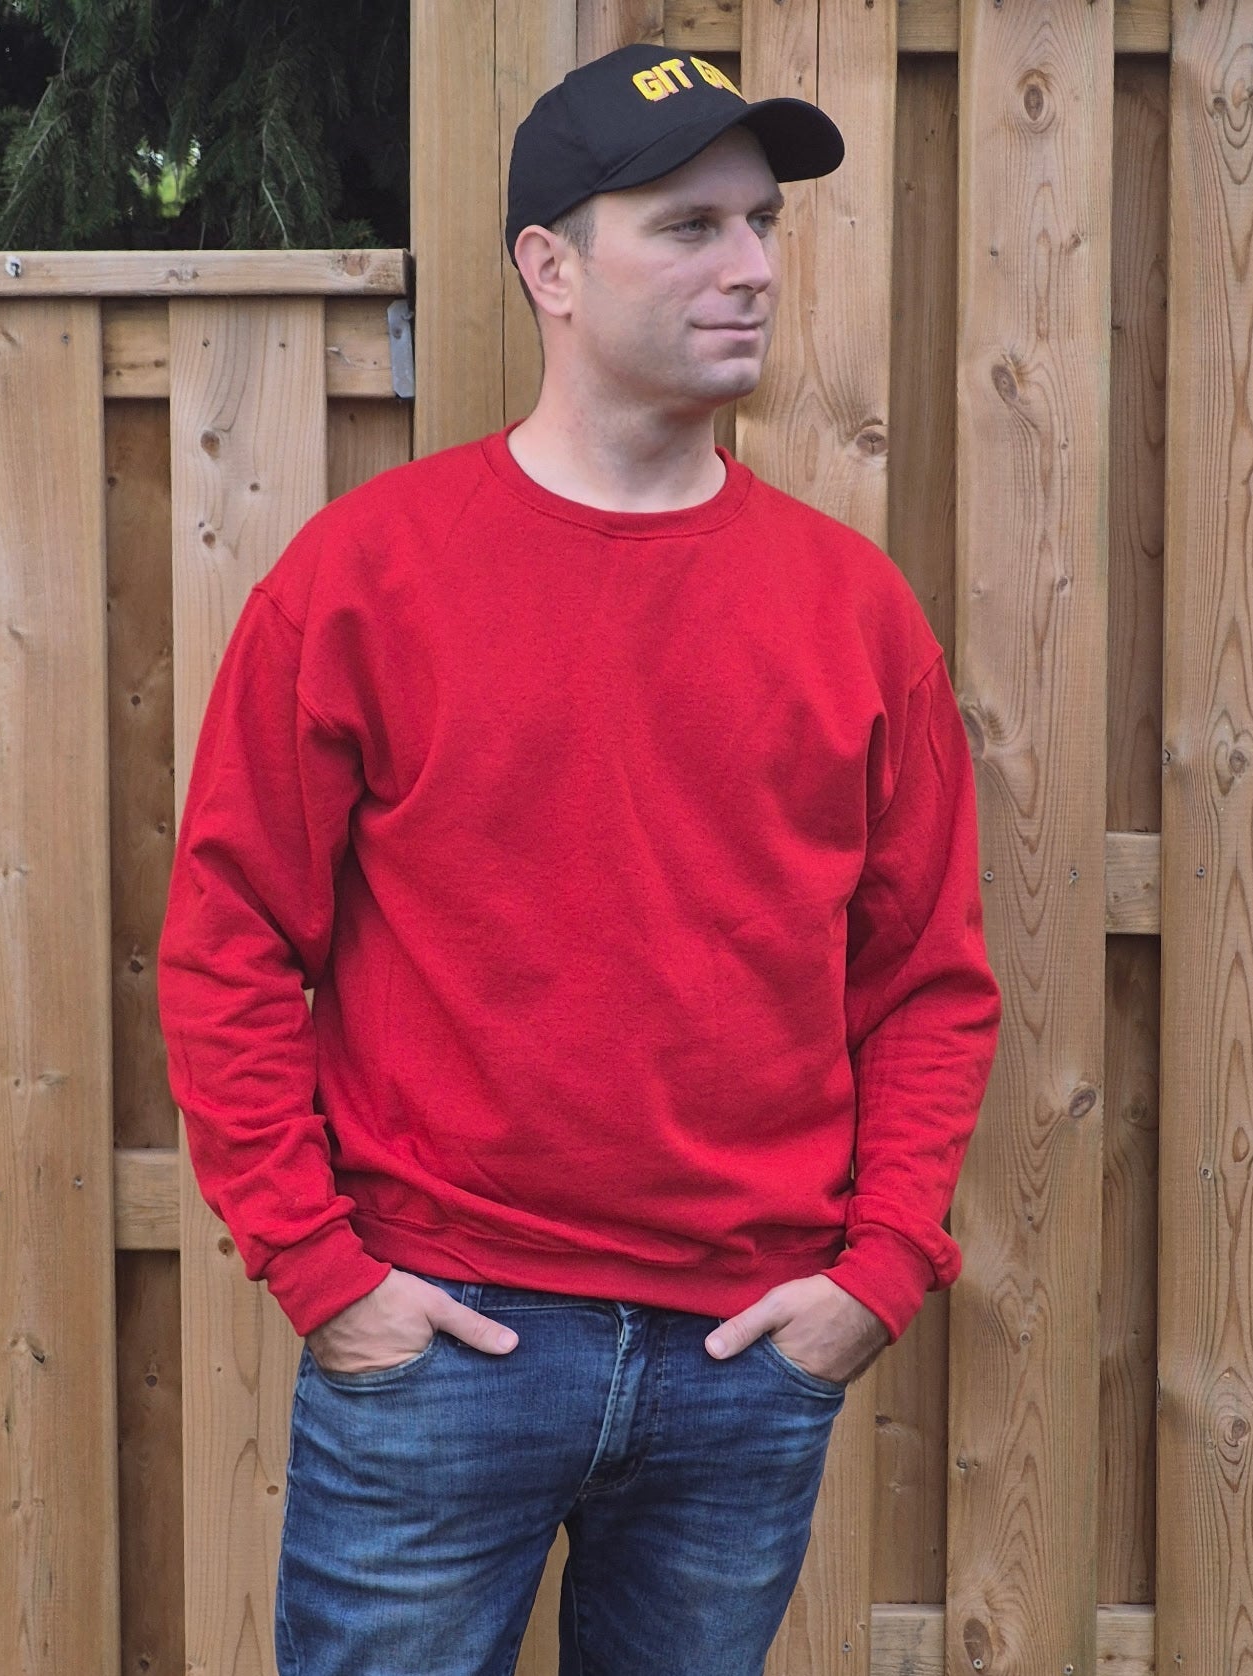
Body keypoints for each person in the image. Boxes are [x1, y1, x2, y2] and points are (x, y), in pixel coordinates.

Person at [157, 42, 1000, 1676]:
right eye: (687, 226)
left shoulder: (850, 609)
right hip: (444, 1337)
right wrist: (324, 1271)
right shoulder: (369, 579)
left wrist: (877, 1272)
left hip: (745, 1356)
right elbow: (231, 938)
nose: (750, 264)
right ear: (549, 265)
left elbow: (924, 981)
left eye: (759, 223)